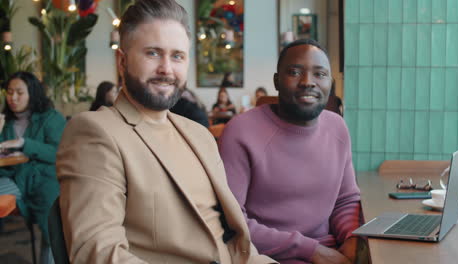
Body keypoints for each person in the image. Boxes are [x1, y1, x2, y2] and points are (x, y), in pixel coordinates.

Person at [56, 0, 276, 263]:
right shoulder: (95, 132)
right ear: (122, 62)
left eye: (177, 56)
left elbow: (234, 241)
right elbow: (97, 253)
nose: (166, 69)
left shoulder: (199, 135)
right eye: (152, 53)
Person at [219, 39, 363, 264]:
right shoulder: (240, 131)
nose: (308, 82)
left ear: (330, 83)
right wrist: (312, 251)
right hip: (264, 256)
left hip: (332, 251)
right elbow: (232, 220)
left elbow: (346, 200)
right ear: (276, 81)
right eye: (295, 72)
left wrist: (352, 238)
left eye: (320, 74)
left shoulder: (337, 127)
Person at [0, 71, 66, 264]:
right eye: (9, 92)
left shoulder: (51, 118)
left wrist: (24, 143)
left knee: (52, 235)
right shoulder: (9, 122)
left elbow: (59, 153)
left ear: (32, 93)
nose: (13, 98)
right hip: (17, 180)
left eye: (19, 92)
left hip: (46, 181)